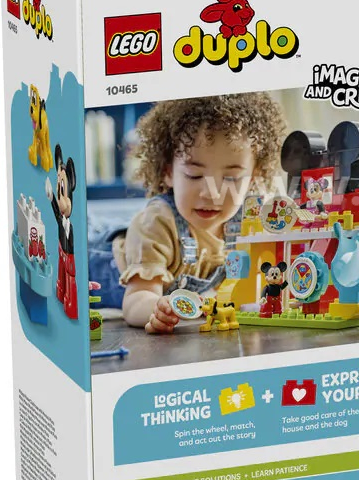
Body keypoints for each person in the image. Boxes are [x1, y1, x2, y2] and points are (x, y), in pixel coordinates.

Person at [113, 94, 285, 333]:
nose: (212, 194)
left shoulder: (249, 222)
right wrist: (160, 309)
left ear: (253, 178)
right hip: (106, 264)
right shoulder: (156, 223)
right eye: (194, 175)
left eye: (231, 178)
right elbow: (135, 301)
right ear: (168, 172)